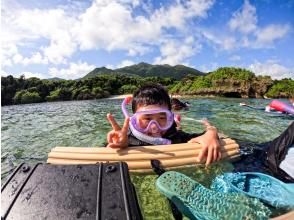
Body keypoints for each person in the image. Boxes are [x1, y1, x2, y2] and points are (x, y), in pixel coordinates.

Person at [106, 84, 221, 165]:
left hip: (172, 128)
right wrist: (121, 144)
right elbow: (107, 152)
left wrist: (211, 132)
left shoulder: (173, 135)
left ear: (169, 117)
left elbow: (205, 136)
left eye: (162, 117)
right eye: (147, 118)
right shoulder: (127, 137)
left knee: (177, 128)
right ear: (134, 120)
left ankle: (176, 122)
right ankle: (176, 121)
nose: (154, 127)